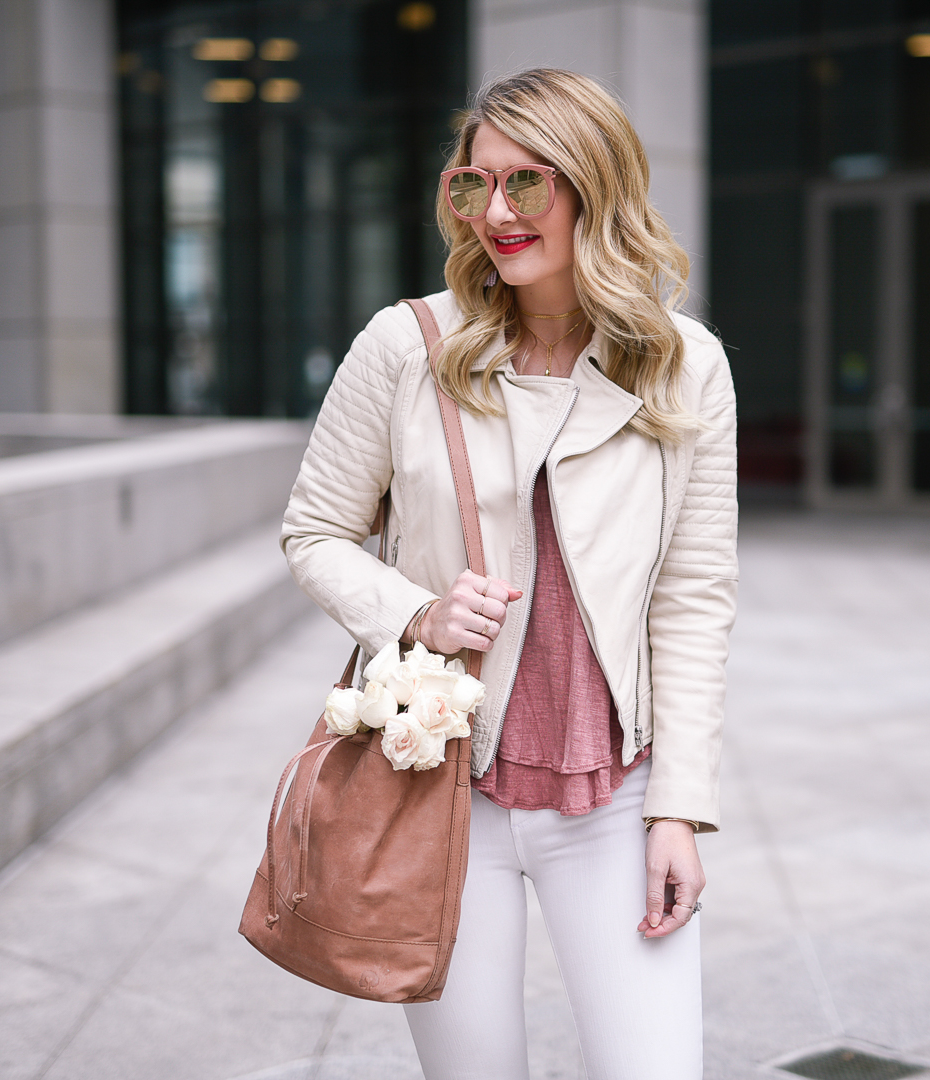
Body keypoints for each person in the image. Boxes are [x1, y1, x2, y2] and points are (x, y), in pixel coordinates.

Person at [280, 68, 737, 1079]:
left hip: (611, 794)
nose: (494, 212)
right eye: (470, 184)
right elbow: (313, 531)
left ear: (594, 187)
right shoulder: (406, 347)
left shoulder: (685, 365)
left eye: (527, 184)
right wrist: (415, 612)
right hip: (442, 786)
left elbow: (693, 595)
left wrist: (679, 808)